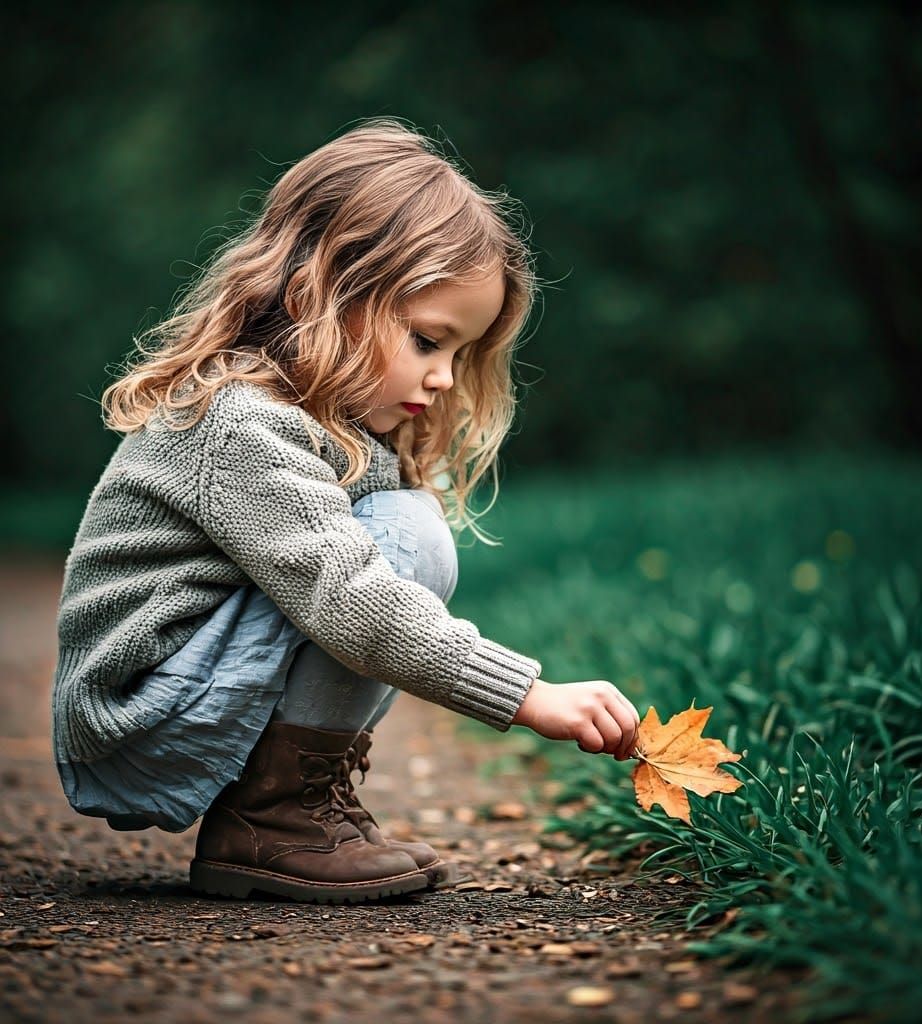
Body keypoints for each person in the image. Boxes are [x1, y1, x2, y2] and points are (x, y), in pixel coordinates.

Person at [51, 117, 640, 905]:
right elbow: (350, 598)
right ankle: (277, 819)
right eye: (429, 340)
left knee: (402, 524)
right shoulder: (242, 422)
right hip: (140, 714)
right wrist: (528, 696)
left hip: (177, 699)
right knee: (405, 538)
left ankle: (281, 809)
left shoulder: (334, 430)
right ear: (324, 291)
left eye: (459, 354)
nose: (442, 377)